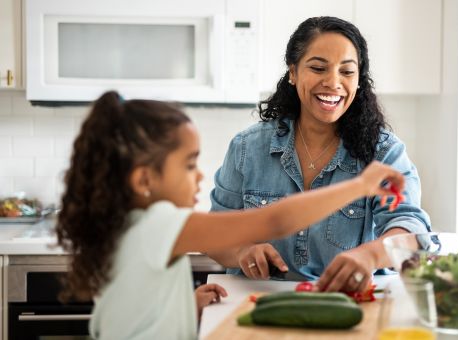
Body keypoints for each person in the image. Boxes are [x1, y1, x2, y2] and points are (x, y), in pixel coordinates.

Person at [55, 91, 405, 340]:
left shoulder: (123, 227)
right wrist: (361, 184)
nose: (199, 176)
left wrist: (183, 307)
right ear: (144, 179)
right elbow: (275, 221)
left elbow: (133, 312)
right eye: (189, 164)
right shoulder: (160, 223)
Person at [208, 16, 431, 293]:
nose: (333, 82)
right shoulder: (247, 148)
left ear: (359, 79)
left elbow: (411, 230)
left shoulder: (384, 151)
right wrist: (242, 251)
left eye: (347, 72)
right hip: (260, 299)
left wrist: (369, 255)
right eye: (318, 68)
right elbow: (214, 234)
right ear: (293, 72)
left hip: (351, 300)